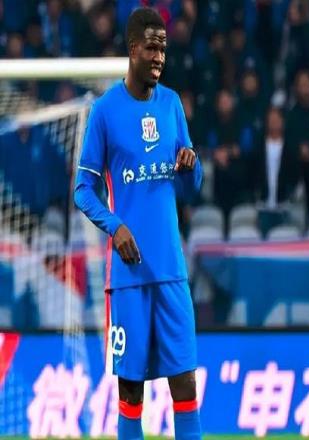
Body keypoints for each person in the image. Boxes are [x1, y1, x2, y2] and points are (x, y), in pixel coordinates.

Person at [73, 8, 202, 440]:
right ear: (132, 50)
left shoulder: (172, 105)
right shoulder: (105, 111)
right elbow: (83, 190)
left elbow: (191, 187)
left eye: (163, 48)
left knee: (185, 384)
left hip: (170, 269)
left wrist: (192, 167)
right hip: (128, 277)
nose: (159, 56)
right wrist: (115, 226)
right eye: (151, 47)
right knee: (131, 391)